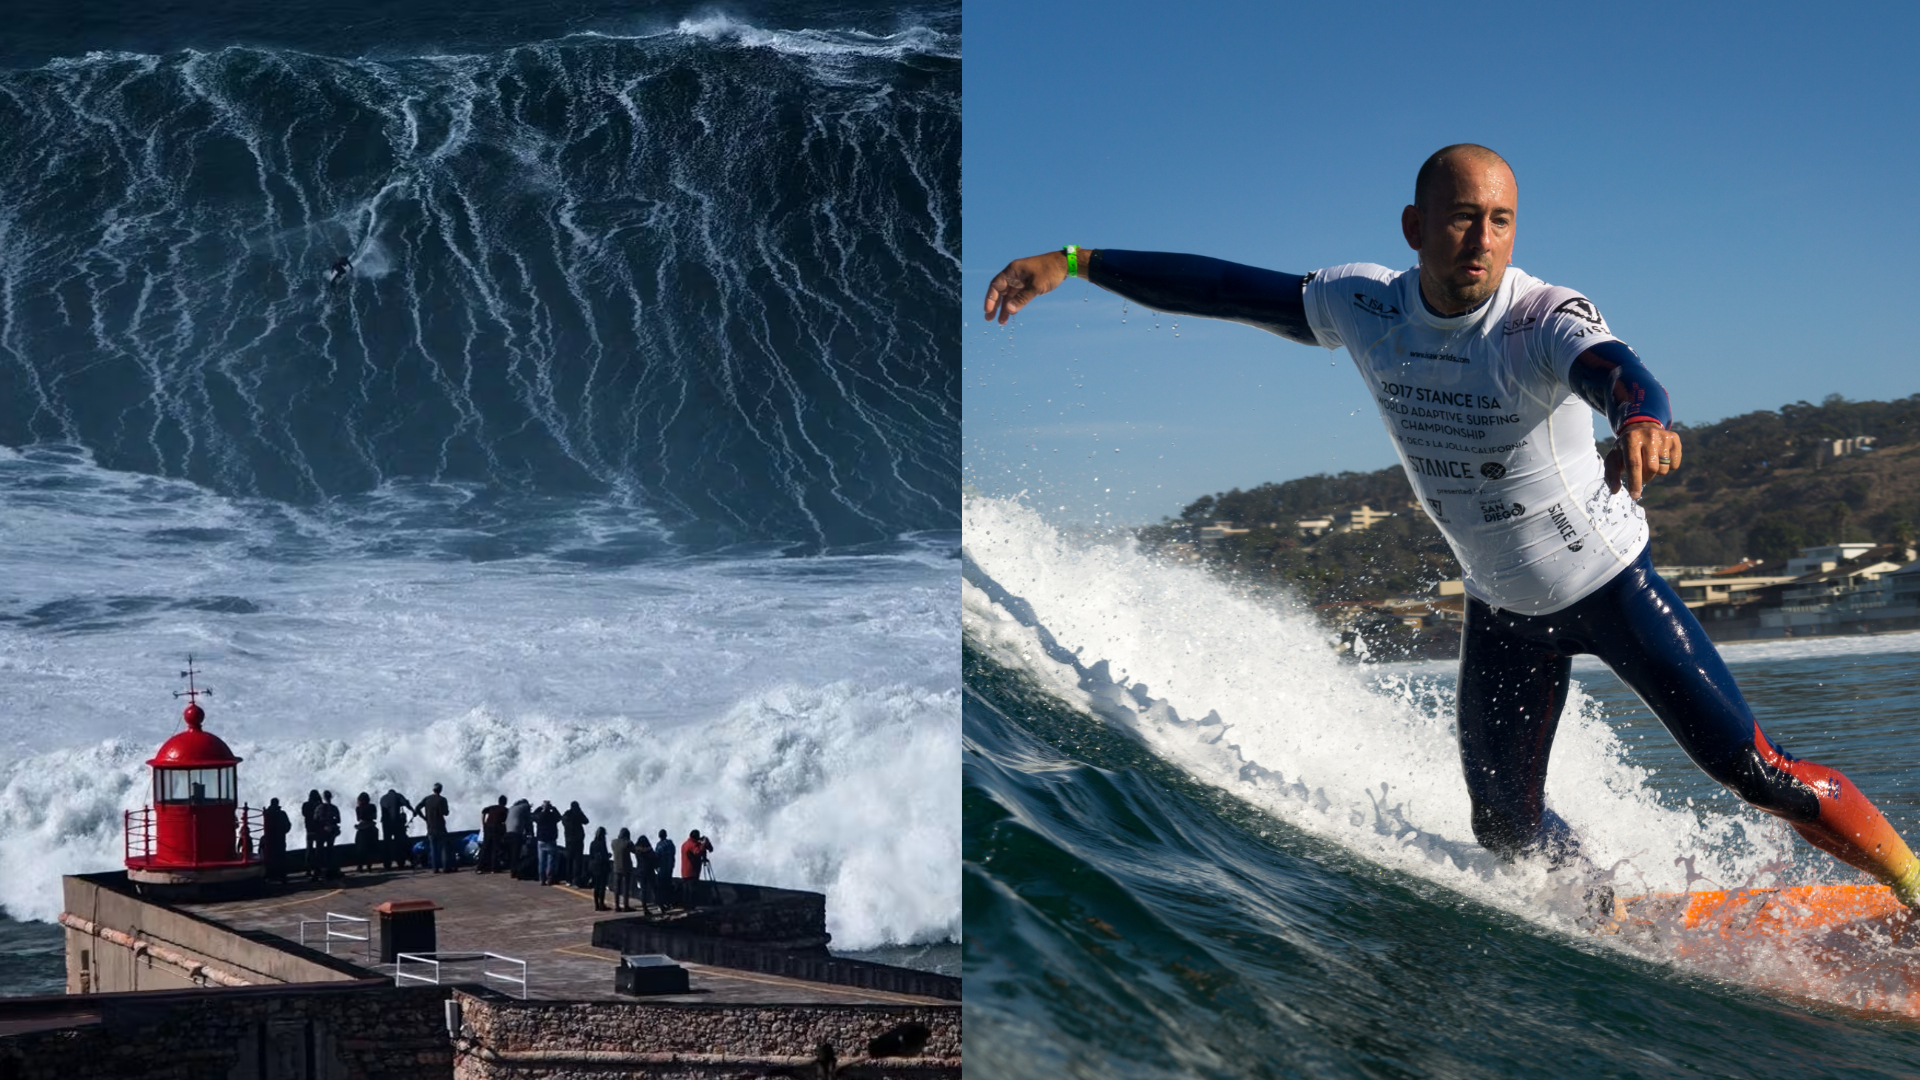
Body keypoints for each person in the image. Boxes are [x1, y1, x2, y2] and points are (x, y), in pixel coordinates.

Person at [983, 144, 1920, 910]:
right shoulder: (1364, 304)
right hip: (1504, 610)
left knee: (1758, 774)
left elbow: (1620, 370)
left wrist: (1641, 420)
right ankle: (1610, 908)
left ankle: (1912, 887)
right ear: (1416, 227)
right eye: (1465, 216)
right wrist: (1074, 263)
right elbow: (1229, 288)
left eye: (1502, 219)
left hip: (1612, 590)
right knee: (1504, 829)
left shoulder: (1542, 317)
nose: (1483, 238)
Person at [416, 782, 453, 873]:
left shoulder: (427, 799)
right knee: (444, 847)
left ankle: (435, 868)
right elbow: (446, 813)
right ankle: (445, 868)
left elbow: (417, 808)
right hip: (440, 827)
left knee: (433, 848)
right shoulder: (442, 799)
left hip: (430, 827)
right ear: (440, 790)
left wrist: (425, 818)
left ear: (433, 790)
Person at [378, 788, 415, 870]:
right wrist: (413, 811)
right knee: (399, 842)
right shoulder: (398, 796)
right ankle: (400, 862)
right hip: (396, 823)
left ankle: (387, 864)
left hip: (386, 824)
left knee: (387, 843)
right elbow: (406, 803)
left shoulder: (383, 798)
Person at [532, 800, 563, 885]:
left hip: (541, 840)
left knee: (541, 861)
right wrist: (554, 809)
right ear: (549, 808)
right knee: (550, 861)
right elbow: (560, 817)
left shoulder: (539, 816)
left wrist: (539, 808)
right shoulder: (552, 816)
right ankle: (549, 879)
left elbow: (532, 815)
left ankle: (542, 879)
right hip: (551, 840)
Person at [261, 797, 291, 884]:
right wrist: (283, 832)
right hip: (280, 838)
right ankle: (282, 876)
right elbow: (288, 825)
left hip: (270, 839)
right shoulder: (282, 813)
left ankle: (270, 876)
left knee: (270, 857)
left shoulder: (267, 813)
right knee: (281, 857)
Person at [680, 829, 714, 907]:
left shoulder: (685, 844)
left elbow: (710, 849)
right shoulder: (692, 845)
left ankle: (686, 906)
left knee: (686, 891)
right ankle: (691, 906)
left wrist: (703, 844)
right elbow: (697, 852)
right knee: (692, 890)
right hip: (692, 871)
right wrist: (704, 844)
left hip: (685, 871)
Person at [562, 801, 591, 887]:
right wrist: (580, 812)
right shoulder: (578, 814)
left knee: (569, 861)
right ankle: (576, 881)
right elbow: (586, 821)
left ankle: (568, 880)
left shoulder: (567, 814)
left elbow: (563, 821)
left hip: (569, 841)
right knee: (578, 861)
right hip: (578, 841)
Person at [315, 791, 342, 880]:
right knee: (330, 849)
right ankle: (331, 869)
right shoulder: (334, 808)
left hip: (322, 832)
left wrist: (324, 825)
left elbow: (315, 819)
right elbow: (338, 820)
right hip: (331, 832)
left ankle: (321, 871)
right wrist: (331, 822)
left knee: (320, 851)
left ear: (323, 797)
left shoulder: (319, 807)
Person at [478, 796, 509, 874]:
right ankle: (494, 868)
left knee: (485, 847)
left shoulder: (492, 807)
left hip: (488, 827)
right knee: (495, 848)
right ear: (505, 802)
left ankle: (479, 868)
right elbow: (505, 822)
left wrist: (483, 823)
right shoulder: (505, 810)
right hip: (496, 827)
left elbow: (483, 811)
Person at [609, 827, 637, 913]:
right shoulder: (628, 843)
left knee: (617, 888)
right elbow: (635, 850)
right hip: (626, 868)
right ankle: (626, 906)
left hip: (616, 868)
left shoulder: (613, 842)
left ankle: (617, 906)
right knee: (626, 888)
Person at [505, 797, 533, 880]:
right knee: (516, 854)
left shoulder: (512, 808)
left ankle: (512, 870)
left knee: (511, 854)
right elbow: (528, 821)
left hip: (508, 833)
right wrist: (530, 833)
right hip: (516, 834)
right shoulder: (525, 806)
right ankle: (516, 872)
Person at [352, 792, 380, 873]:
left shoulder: (358, 808)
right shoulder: (372, 806)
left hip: (362, 829)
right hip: (371, 828)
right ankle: (369, 867)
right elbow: (374, 817)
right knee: (370, 848)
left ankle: (360, 867)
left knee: (360, 849)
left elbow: (358, 818)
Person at [300, 789, 323, 881]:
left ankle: (308, 870)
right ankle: (318, 870)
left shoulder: (305, 805)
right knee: (318, 850)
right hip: (319, 830)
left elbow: (304, 814)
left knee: (309, 849)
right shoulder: (319, 805)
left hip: (309, 830)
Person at [588, 826, 613, 911]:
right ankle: (601, 904)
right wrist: (609, 855)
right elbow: (604, 856)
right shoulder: (602, 843)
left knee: (596, 887)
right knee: (602, 887)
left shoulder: (592, 843)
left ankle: (596, 905)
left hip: (594, 867)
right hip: (602, 868)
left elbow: (591, 855)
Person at [654, 829, 677, 907]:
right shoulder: (670, 843)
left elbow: (657, 856)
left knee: (661, 887)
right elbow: (674, 852)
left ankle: (662, 903)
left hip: (662, 868)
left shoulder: (659, 845)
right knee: (668, 885)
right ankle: (669, 902)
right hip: (669, 867)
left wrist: (656, 867)